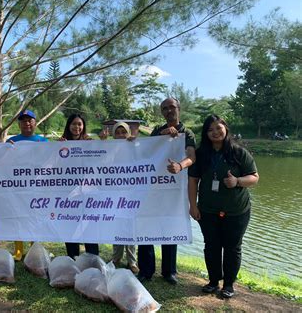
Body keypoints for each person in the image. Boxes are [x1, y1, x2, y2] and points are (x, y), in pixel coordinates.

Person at [188, 115, 259, 299]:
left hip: (237, 211)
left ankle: (228, 285)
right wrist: (193, 205)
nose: (215, 132)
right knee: (211, 246)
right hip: (208, 210)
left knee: (232, 247)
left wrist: (237, 181)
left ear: (225, 128)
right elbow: (193, 180)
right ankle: (213, 282)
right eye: (210, 130)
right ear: (206, 133)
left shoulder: (238, 152)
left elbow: (254, 177)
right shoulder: (201, 153)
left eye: (218, 128)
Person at [137, 97, 196, 285]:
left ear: (179, 109)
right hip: (152, 189)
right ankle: (146, 270)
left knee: (169, 227)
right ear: (162, 112)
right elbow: (144, 152)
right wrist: (161, 136)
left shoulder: (187, 133)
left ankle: (169, 271)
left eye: (172, 107)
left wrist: (180, 166)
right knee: (146, 226)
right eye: (165, 108)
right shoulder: (156, 130)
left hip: (174, 190)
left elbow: (191, 156)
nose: (169, 111)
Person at [7, 109, 48, 261]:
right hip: (18, 188)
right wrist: (6, 150)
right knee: (19, 216)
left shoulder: (43, 142)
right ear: (19, 124)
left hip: (37, 187)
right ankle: (18, 250)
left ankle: (34, 248)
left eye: (30, 120)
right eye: (23, 121)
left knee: (35, 218)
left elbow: (51, 162)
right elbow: (4, 164)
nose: (27, 123)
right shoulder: (12, 141)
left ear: (35, 122)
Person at [100, 121, 139, 274]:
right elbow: (103, 162)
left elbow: (144, 159)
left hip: (131, 193)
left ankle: (132, 261)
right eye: (118, 132)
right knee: (117, 225)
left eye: (124, 132)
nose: (121, 135)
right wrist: (103, 144)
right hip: (114, 193)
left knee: (130, 227)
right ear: (114, 135)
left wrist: (135, 145)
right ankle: (116, 258)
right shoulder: (110, 149)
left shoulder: (133, 147)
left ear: (128, 133)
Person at [60, 114, 99, 259]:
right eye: (74, 124)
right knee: (70, 225)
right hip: (69, 192)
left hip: (88, 192)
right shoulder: (61, 143)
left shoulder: (90, 142)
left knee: (89, 226)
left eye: (80, 124)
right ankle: (73, 258)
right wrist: (56, 148)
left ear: (83, 126)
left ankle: (92, 259)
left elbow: (101, 159)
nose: (77, 127)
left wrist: (101, 142)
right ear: (68, 126)